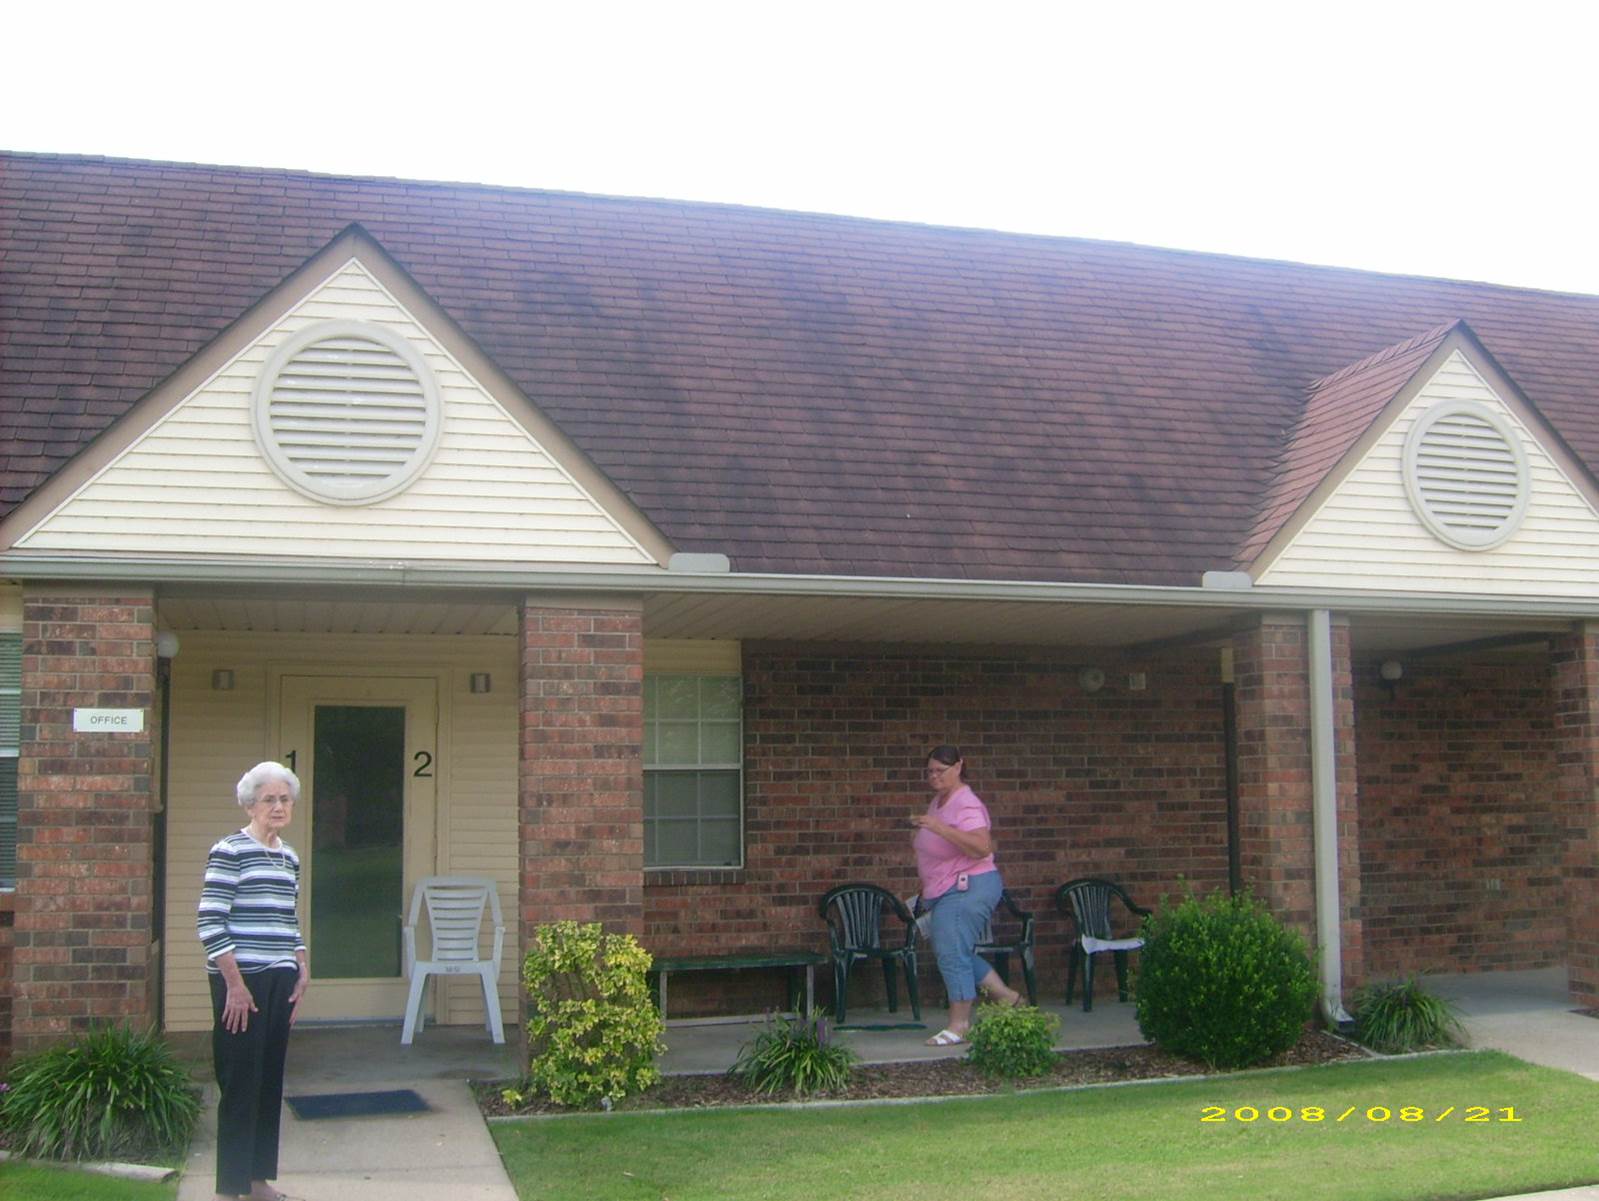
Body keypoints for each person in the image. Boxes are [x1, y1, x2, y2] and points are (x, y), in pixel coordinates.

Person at [197, 762, 310, 1201]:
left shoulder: (289, 856)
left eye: (285, 799)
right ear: (249, 804)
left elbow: (287, 919)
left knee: (268, 1083)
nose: (278, 807)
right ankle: (229, 1190)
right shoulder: (229, 850)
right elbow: (210, 921)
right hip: (240, 984)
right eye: (269, 799)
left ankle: (258, 1183)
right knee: (240, 1083)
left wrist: (302, 968)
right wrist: (235, 984)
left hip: (280, 980)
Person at [909, 744, 1022, 1046]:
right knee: (955, 951)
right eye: (930, 771)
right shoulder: (940, 801)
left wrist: (937, 827)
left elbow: (982, 846)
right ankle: (1007, 998)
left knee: (951, 953)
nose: (934, 776)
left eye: (940, 771)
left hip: (967, 887)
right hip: (944, 889)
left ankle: (959, 1025)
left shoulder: (966, 803)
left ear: (959, 767)